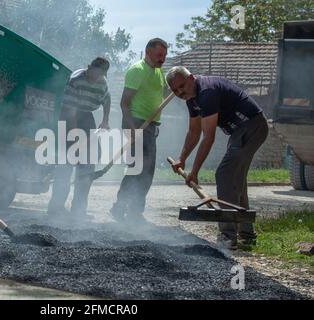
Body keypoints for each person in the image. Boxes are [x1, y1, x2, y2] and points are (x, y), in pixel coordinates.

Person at [166, 66, 269, 250]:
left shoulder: (207, 92)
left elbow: (208, 137)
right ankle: (247, 234)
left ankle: (228, 236)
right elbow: (194, 132)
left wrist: (195, 171)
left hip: (252, 126)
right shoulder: (192, 99)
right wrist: (182, 159)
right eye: (175, 90)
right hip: (239, 131)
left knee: (224, 174)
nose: (180, 92)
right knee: (236, 179)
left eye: (182, 86)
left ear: (191, 78)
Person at [110, 38, 168, 224]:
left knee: (147, 172)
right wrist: (133, 130)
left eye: (165, 56)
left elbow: (162, 93)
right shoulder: (137, 70)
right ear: (148, 52)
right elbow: (124, 103)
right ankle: (120, 208)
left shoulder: (159, 72)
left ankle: (134, 212)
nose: (162, 59)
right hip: (134, 123)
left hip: (150, 127)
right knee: (137, 170)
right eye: (159, 55)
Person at [47, 57, 111, 220]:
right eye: (95, 74)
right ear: (89, 67)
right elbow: (70, 110)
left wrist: (105, 120)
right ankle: (56, 208)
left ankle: (79, 210)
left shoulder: (103, 83)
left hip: (87, 118)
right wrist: (75, 136)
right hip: (68, 118)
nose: (97, 78)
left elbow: (107, 99)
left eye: (101, 75)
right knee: (65, 165)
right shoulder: (76, 79)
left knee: (87, 165)